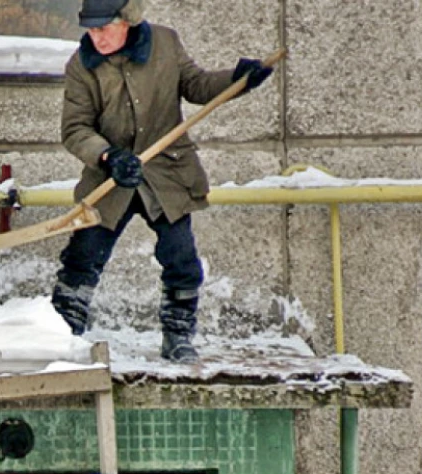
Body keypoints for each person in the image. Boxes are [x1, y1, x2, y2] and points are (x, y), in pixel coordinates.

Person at [51, 0, 273, 363]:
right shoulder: (81, 65)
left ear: (128, 20)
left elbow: (198, 85)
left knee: (181, 258)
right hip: (112, 179)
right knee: (83, 256)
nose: (97, 37)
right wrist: (109, 156)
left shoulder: (165, 44)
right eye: (90, 29)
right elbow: (75, 129)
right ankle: (64, 331)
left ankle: (178, 334)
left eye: (104, 27)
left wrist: (237, 79)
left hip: (166, 174)